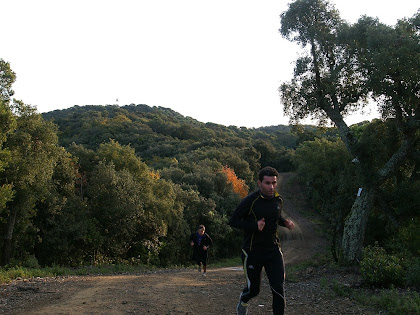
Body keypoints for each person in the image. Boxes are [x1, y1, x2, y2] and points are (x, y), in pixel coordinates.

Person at [229, 166, 295, 315]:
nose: (271, 187)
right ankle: (243, 300)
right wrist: (254, 226)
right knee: (254, 290)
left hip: (273, 250)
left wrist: (284, 222)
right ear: (259, 183)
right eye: (267, 183)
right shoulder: (250, 201)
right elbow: (233, 221)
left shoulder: (278, 199)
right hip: (252, 251)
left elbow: (275, 217)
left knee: (278, 287)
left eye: (274, 183)